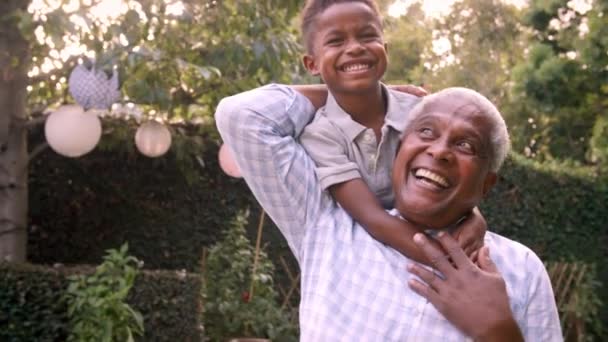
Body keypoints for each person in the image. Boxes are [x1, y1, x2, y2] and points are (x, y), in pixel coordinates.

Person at [215, 85, 562, 340]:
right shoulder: (325, 223)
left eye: (465, 144)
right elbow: (243, 116)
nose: (439, 151)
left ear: (486, 185)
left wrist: (498, 331)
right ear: (399, 148)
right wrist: (364, 95)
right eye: (426, 131)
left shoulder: (520, 270)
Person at [296, 0, 486, 264]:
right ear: (312, 64)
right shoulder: (320, 135)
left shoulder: (421, 112)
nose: (355, 48)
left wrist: (474, 217)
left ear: (384, 49)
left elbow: (454, 180)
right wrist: (448, 261)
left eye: (367, 36)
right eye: (336, 41)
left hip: (437, 236)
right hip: (372, 259)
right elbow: (374, 218)